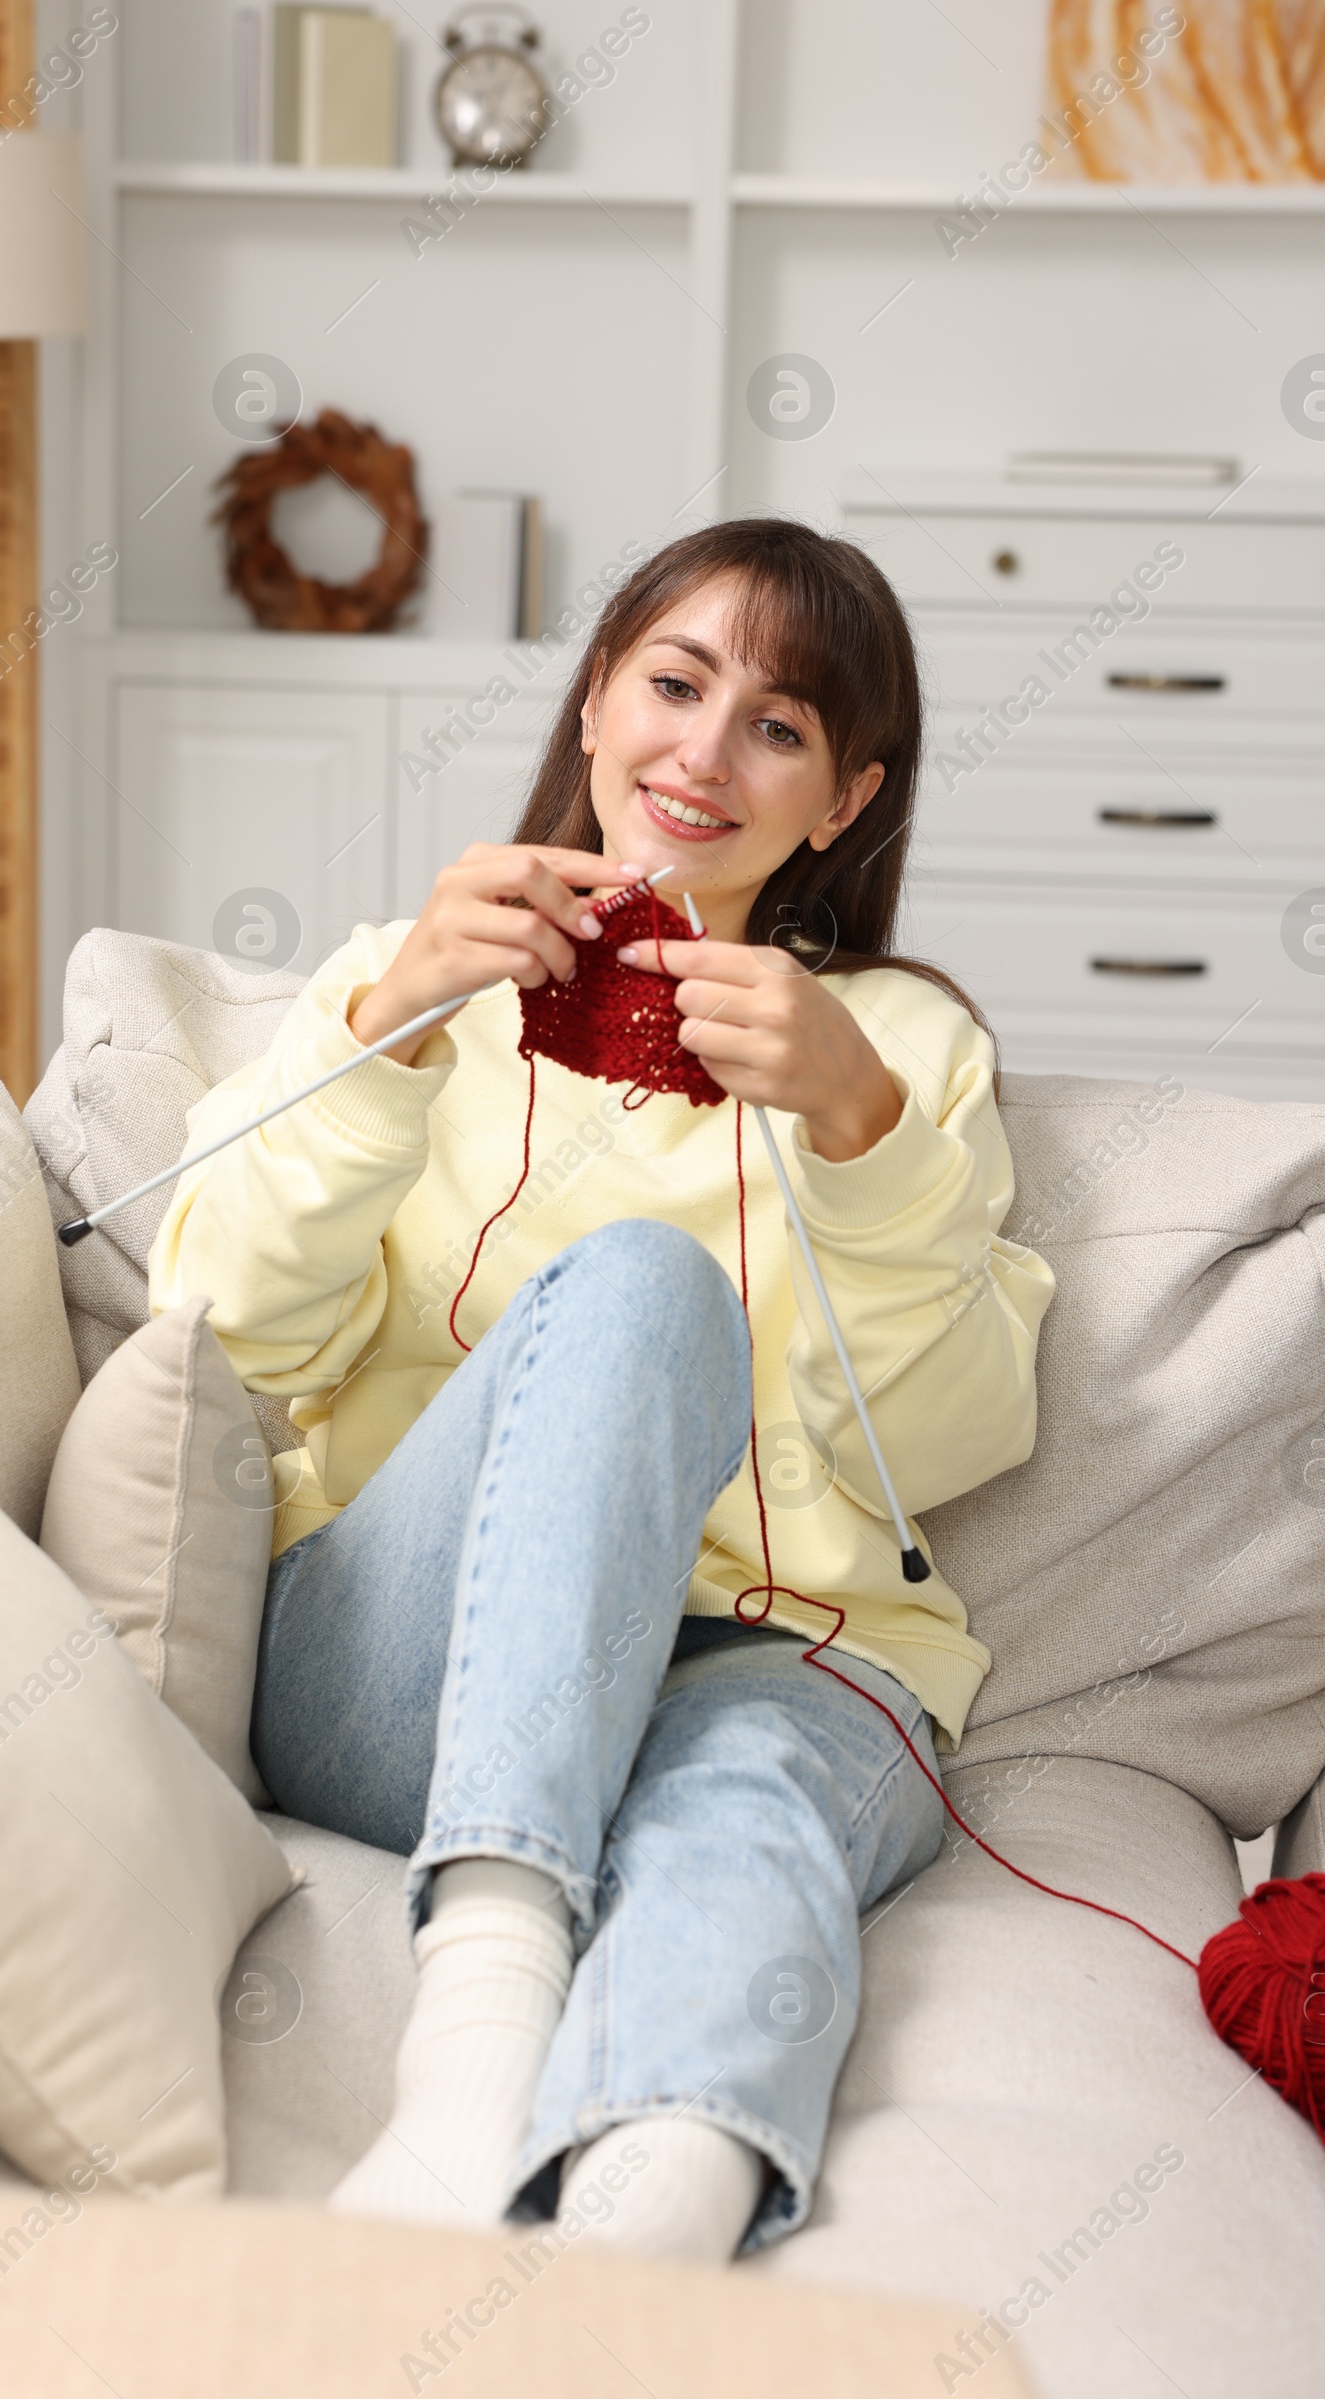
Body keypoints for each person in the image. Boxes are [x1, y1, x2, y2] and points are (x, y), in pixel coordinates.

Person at [147, 518, 1055, 2262]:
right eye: (675, 682)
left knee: (750, 1814)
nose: (706, 754)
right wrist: (390, 1025)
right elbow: (218, 1338)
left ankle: (640, 2259)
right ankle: (475, 2042)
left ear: (842, 800)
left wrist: (857, 1131)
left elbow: (943, 1447)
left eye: (780, 728)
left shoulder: (907, 1056)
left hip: (777, 1656)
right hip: (413, 1657)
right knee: (645, 1289)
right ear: (592, 705)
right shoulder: (410, 981)